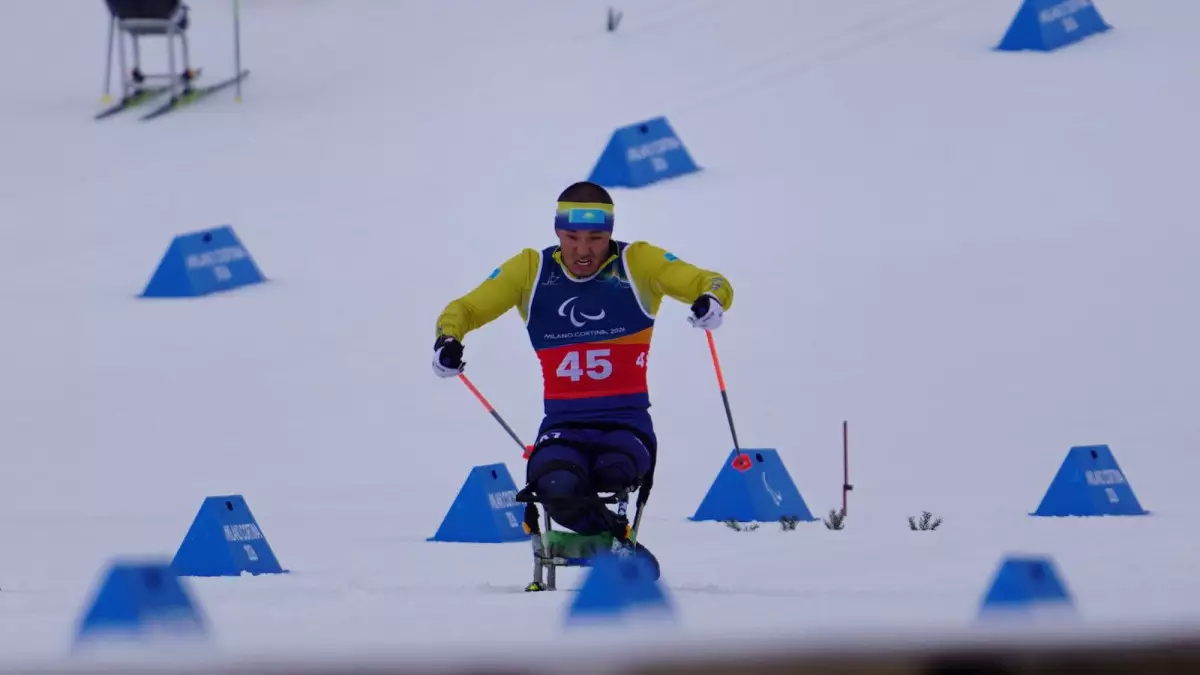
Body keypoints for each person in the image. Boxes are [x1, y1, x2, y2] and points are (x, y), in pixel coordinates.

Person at [432, 180, 733, 543]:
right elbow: (465, 308)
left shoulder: (637, 263)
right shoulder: (531, 270)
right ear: (557, 231)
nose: (583, 250)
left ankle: (614, 547)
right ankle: (617, 545)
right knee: (557, 487)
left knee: (612, 474)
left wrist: (711, 300)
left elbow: (710, 281)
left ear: (610, 232)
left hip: (626, 424)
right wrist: (448, 338)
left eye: (595, 237)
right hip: (563, 426)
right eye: (572, 237)